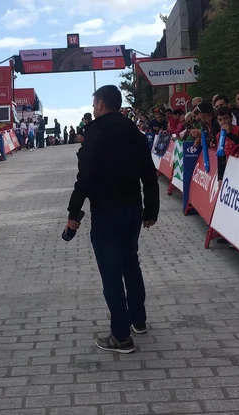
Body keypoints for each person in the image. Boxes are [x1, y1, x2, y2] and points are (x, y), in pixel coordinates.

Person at [66, 85, 159, 354]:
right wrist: (151, 210)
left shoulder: (94, 133)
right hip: (132, 209)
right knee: (131, 265)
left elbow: (84, 179)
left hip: (106, 212)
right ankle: (138, 321)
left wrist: (73, 215)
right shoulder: (135, 132)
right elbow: (149, 175)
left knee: (111, 273)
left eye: (94, 103)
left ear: (100, 104)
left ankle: (120, 336)